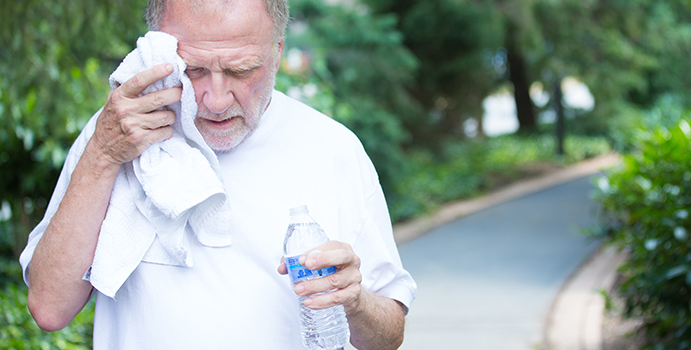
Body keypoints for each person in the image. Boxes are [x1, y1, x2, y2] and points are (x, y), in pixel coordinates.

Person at [18, 0, 416, 348]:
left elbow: (388, 337)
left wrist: (355, 301)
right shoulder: (116, 133)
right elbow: (49, 308)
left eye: (242, 70)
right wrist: (103, 156)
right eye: (192, 70)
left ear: (277, 53)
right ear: (158, 51)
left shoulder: (333, 149)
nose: (216, 99)